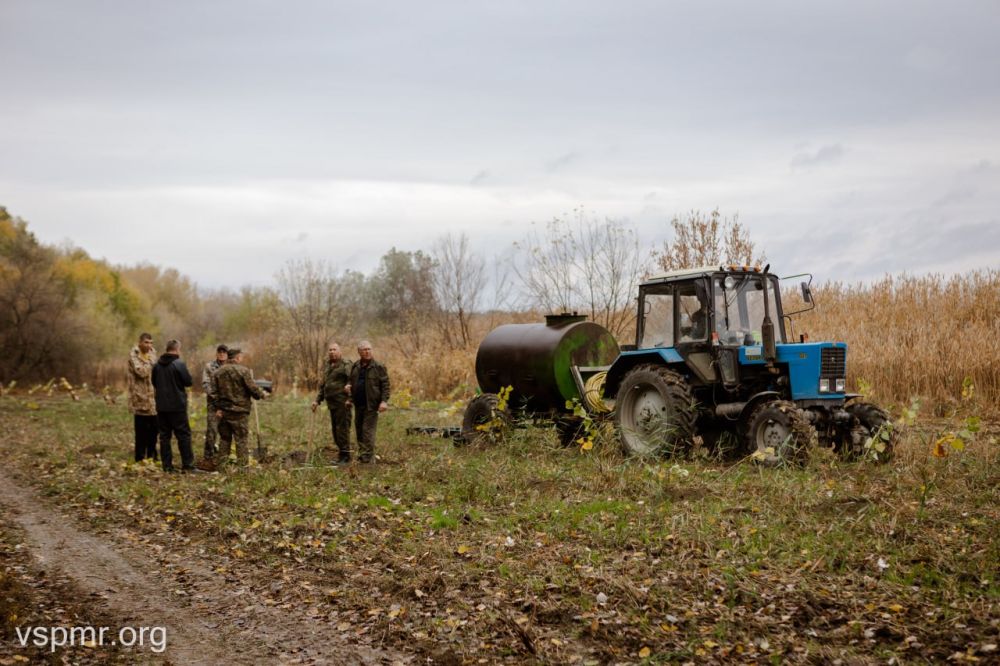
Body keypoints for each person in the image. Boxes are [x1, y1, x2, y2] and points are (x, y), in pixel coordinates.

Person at [211, 347, 267, 468]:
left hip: (224, 412)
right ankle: (242, 469)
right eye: (241, 356)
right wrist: (261, 395)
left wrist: (218, 408)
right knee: (241, 440)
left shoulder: (217, 372)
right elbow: (252, 388)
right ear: (237, 357)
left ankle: (222, 467)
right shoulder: (243, 371)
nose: (241, 358)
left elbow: (213, 393)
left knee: (224, 440)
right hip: (240, 412)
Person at [151, 339, 198, 473]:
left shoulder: (156, 366)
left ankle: (167, 467)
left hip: (161, 406)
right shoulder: (179, 364)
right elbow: (188, 382)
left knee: (164, 436)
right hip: (177, 406)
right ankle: (188, 465)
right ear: (177, 349)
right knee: (183, 435)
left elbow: (154, 382)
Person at [346, 340, 390, 464]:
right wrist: (349, 397)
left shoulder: (378, 366)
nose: (367, 351)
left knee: (367, 431)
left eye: (369, 349)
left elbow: (385, 385)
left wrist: (384, 401)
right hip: (358, 404)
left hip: (372, 405)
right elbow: (351, 382)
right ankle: (362, 454)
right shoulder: (355, 366)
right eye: (364, 349)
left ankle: (368, 459)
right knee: (359, 430)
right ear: (359, 352)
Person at [311, 342, 353, 464]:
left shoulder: (346, 364)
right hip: (332, 404)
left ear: (340, 351)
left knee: (342, 430)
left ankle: (346, 457)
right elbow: (324, 386)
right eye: (330, 350)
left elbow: (352, 381)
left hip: (343, 403)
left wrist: (350, 399)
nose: (332, 352)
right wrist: (317, 401)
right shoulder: (328, 366)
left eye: (334, 350)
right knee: (335, 430)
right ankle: (341, 455)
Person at [127, 332, 158, 462]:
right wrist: (151, 362)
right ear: (140, 342)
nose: (149, 345)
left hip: (153, 398)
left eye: (151, 342)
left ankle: (152, 456)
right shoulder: (134, 355)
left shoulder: (152, 352)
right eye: (146, 342)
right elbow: (141, 372)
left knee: (154, 430)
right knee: (141, 432)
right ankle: (140, 458)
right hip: (140, 398)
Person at [201, 343, 229, 459]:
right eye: (220, 352)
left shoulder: (231, 366)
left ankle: (224, 456)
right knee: (212, 430)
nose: (222, 354)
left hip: (228, 404)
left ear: (227, 354)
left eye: (224, 352)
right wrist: (217, 400)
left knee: (226, 431)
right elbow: (206, 384)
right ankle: (208, 456)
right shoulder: (209, 367)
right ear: (216, 354)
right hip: (213, 404)